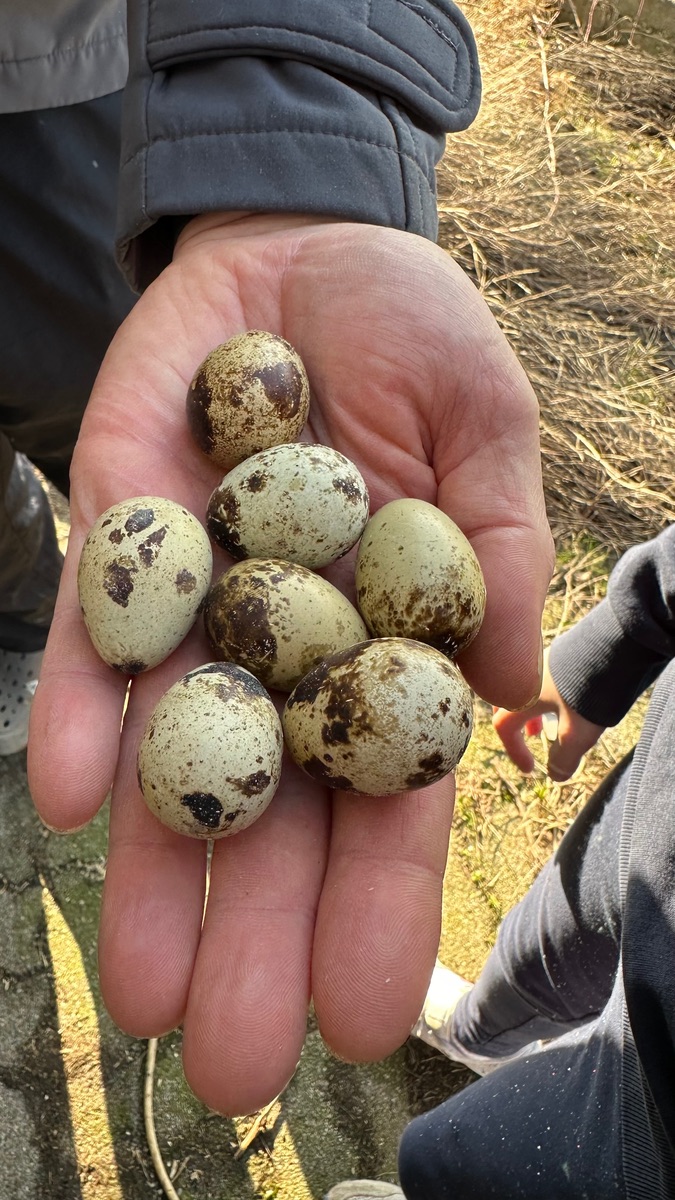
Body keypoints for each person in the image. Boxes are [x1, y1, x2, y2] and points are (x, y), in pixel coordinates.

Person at [23, 0, 555, 1119]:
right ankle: (19, 606)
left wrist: (292, 168)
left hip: (57, 86)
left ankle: (23, 610)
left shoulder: (289, 559)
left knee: (69, 397)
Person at [330, 525, 675, 1198]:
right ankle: (472, 1035)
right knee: (536, 954)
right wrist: (619, 637)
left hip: (650, 1124)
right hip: (653, 820)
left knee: (449, 1159)